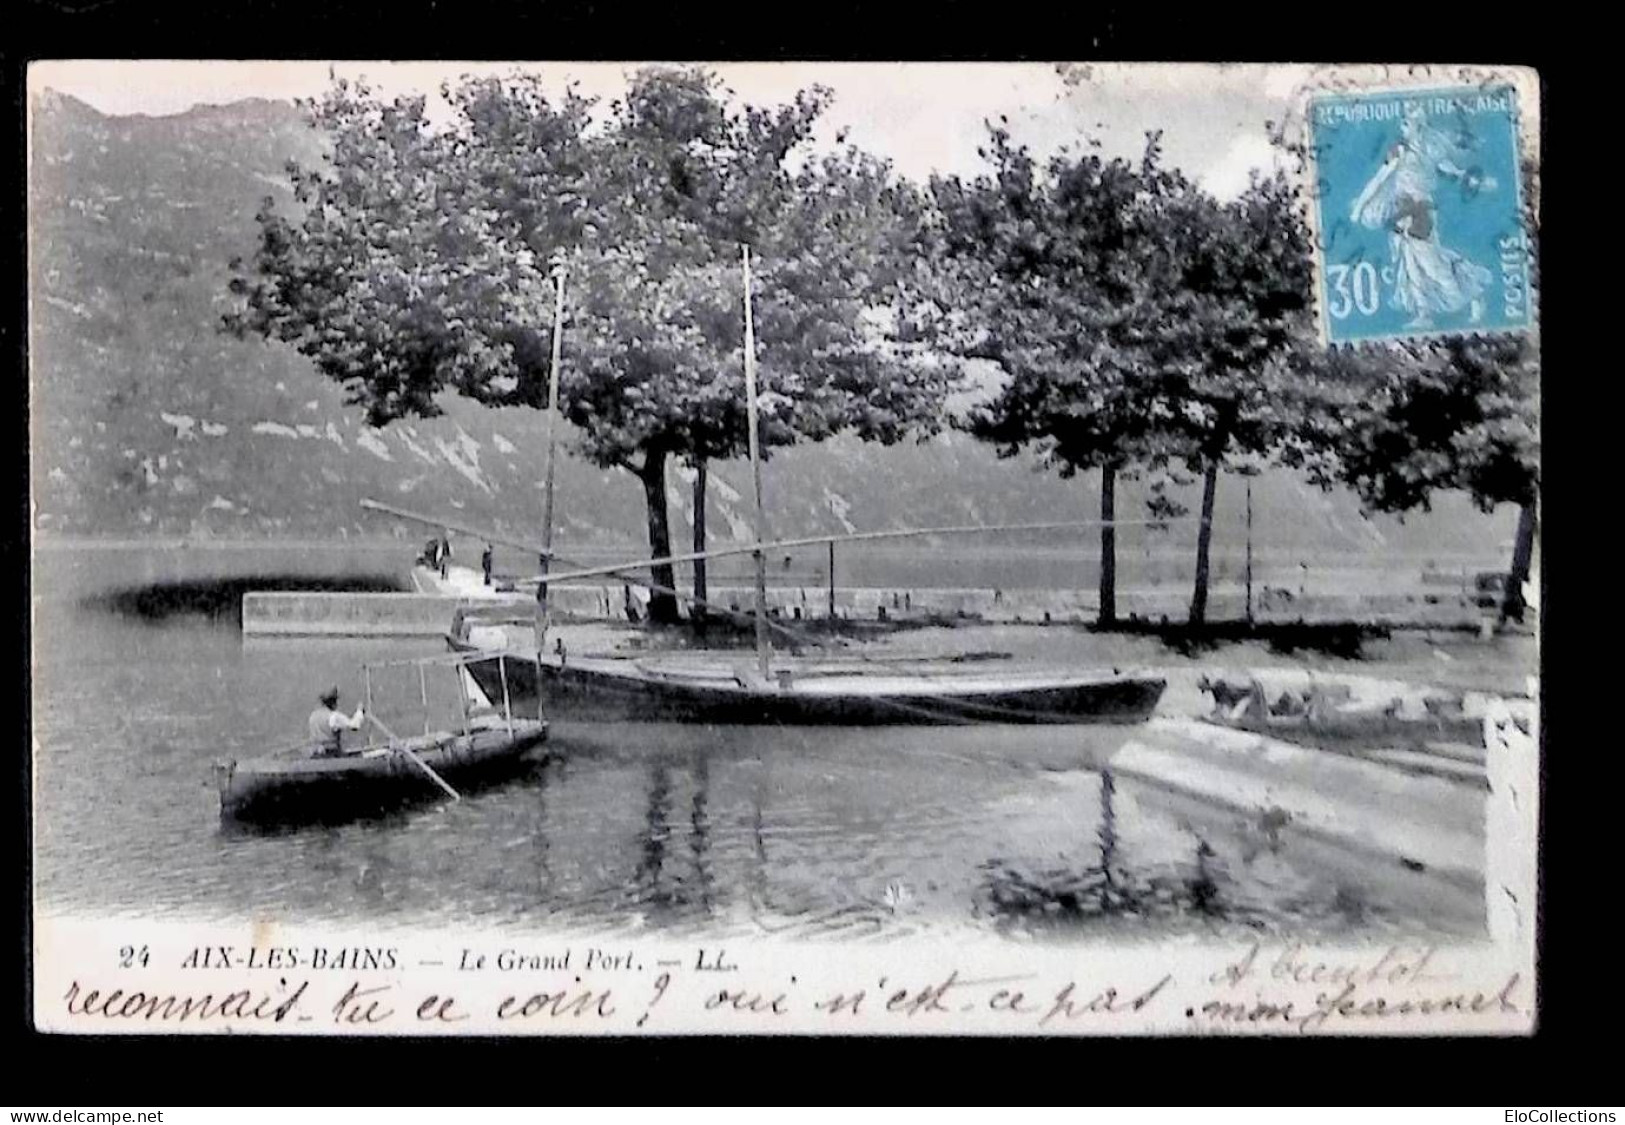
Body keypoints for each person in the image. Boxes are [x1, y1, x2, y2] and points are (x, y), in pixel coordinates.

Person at [309, 687, 366, 758]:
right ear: (333, 702)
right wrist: (359, 711)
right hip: (331, 754)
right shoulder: (334, 716)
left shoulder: (313, 716)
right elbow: (355, 725)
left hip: (316, 754)